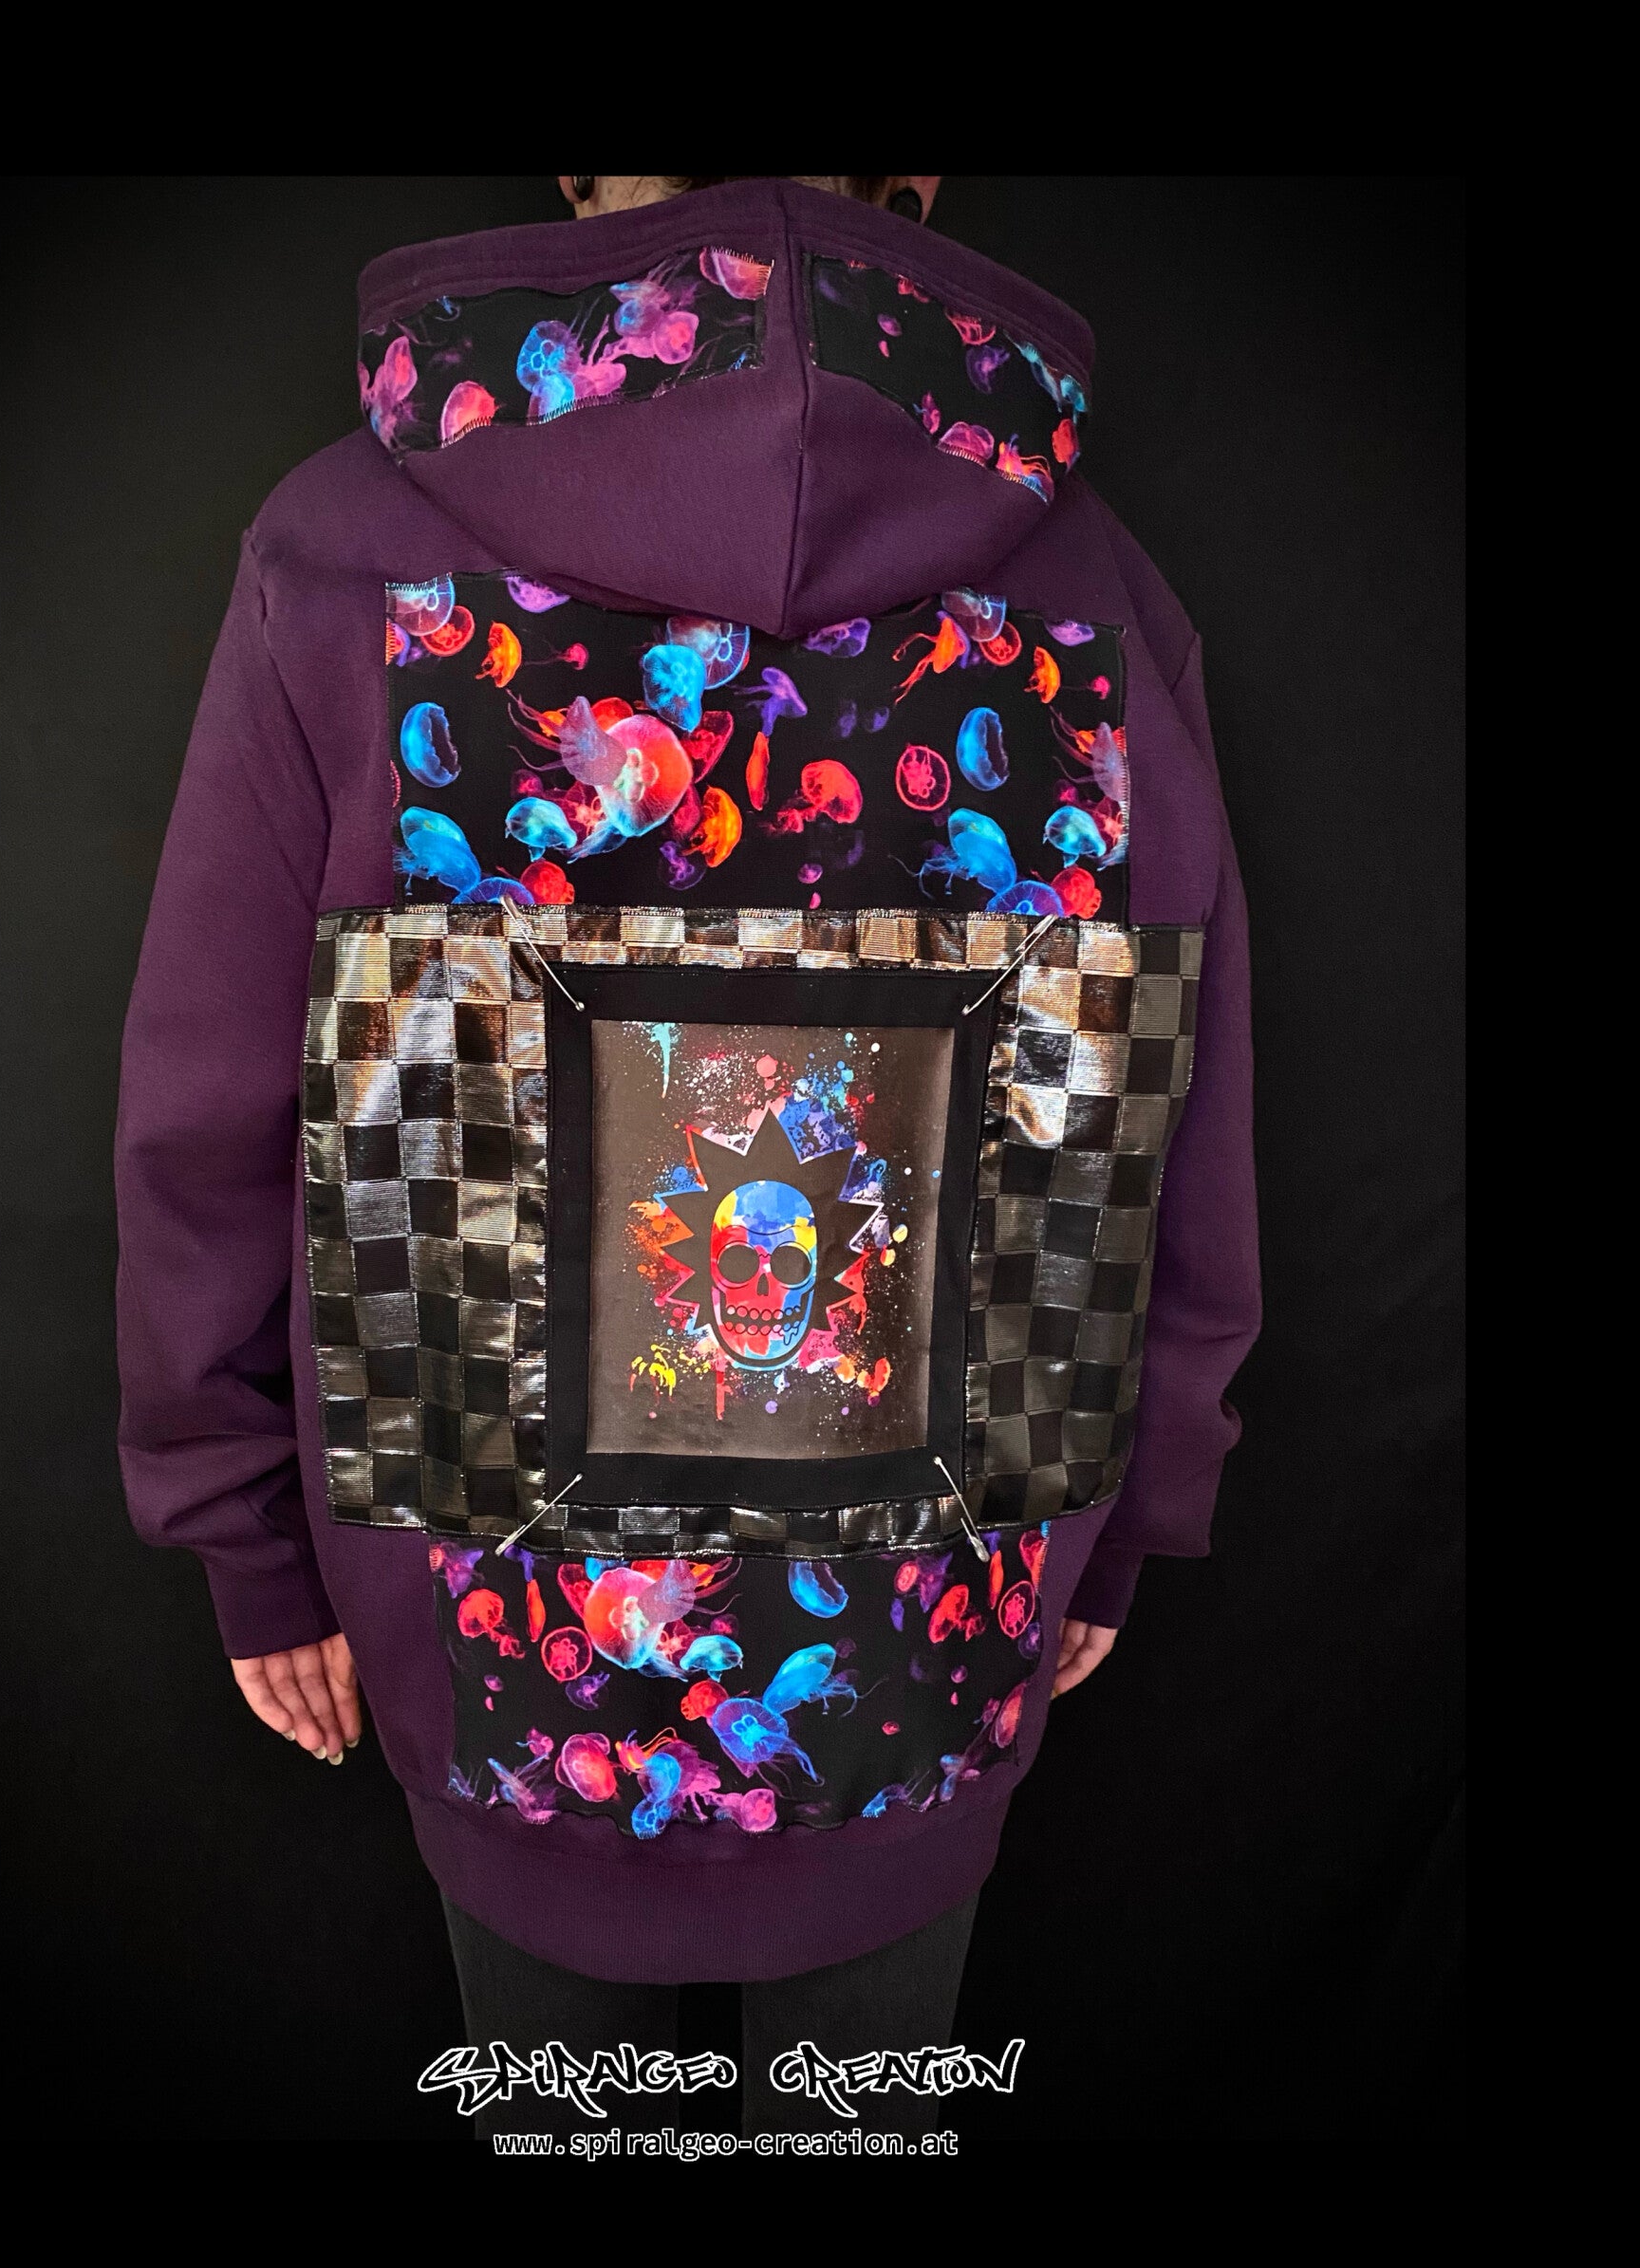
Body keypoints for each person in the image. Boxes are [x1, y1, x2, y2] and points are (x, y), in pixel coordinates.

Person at [116, 172, 1260, 2136]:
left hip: (486, 1636)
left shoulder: (345, 560)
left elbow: (209, 1105)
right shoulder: (1096, 600)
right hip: (947, 1617)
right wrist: (1147, 1489)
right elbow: (1164, 1109)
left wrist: (237, 1523)